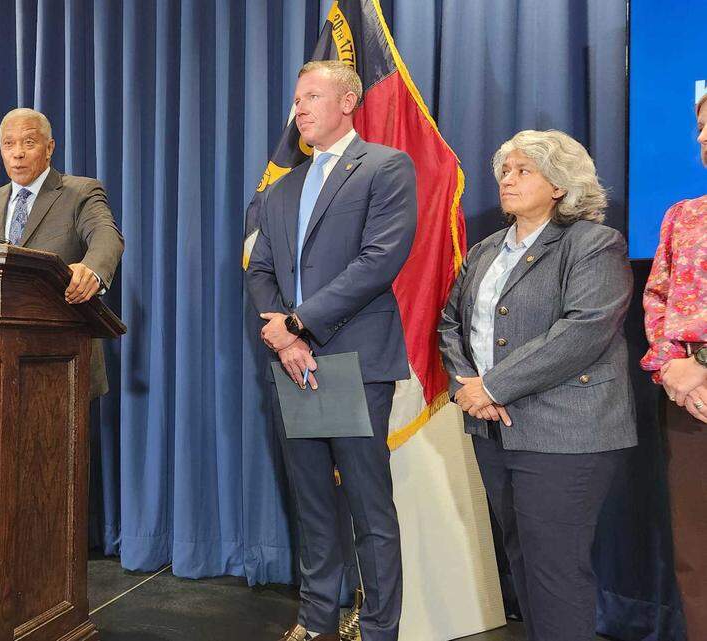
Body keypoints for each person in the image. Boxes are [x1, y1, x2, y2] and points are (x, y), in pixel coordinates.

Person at [438, 130, 636, 641]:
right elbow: (450, 324)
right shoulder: (485, 251)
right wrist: (465, 386)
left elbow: (583, 331)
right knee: (523, 559)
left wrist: (492, 386)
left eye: (524, 170)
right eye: (505, 170)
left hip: (566, 433)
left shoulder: (594, 244)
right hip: (494, 432)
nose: (508, 179)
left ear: (560, 185)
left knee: (556, 570)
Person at [246, 60, 417, 641]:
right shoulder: (281, 188)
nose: (298, 109)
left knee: (370, 509)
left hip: (353, 359)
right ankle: (316, 621)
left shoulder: (385, 166)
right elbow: (261, 269)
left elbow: (380, 260)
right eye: (296, 99)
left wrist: (299, 324)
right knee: (314, 503)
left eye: (310, 96)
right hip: (293, 361)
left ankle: (376, 630)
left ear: (348, 101)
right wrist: (283, 335)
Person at [0, 107, 124, 399]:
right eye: (8, 144)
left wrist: (92, 269)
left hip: (62, 361)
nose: (18, 153)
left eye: (29, 142)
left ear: (49, 148)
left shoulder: (80, 192)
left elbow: (106, 235)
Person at [641, 92, 707, 637]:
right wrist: (674, 366)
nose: (703, 137)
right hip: (690, 396)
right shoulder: (682, 215)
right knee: (696, 546)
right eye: (701, 127)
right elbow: (657, 297)